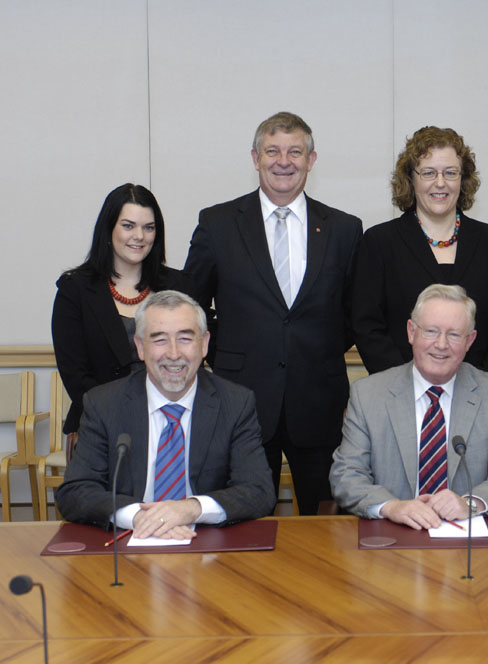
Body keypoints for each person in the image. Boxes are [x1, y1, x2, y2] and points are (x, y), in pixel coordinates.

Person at [183, 112, 362, 515]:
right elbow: (189, 304)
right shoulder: (218, 223)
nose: (284, 161)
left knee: (325, 522)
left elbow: (356, 311)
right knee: (242, 516)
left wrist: (318, 347)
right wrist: (223, 347)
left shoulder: (344, 229)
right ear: (255, 157)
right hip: (240, 398)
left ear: (311, 160)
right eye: (273, 151)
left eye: (295, 151)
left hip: (319, 399)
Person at [56, 291, 275, 536]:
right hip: (131, 541)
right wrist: (139, 517)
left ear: (204, 344)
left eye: (185, 338)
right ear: (140, 347)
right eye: (159, 340)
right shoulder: (104, 403)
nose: (173, 354)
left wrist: (191, 509)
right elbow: (75, 492)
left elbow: (259, 491)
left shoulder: (235, 403)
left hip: (207, 543)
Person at [330, 284, 488, 529]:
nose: (441, 344)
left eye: (454, 334)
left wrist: (470, 503)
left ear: (470, 341)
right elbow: (346, 476)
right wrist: (392, 506)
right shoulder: (369, 394)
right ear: (412, 332)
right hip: (391, 536)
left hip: (467, 540)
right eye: (431, 331)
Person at [351, 126, 488, 380]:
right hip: (400, 395)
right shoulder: (379, 242)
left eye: (450, 173)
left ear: (463, 179)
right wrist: (406, 387)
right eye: (429, 173)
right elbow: (367, 326)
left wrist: (486, 388)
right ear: (410, 179)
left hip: (479, 396)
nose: (440, 183)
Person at [52, 183, 195, 437]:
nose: (139, 236)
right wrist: (128, 415)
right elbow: (75, 376)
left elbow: (192, 357)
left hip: (173, 422)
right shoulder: (75, 290)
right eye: (128, 225)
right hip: (101, 426)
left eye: (148, 227)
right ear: (108, 230)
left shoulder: (179, 285)